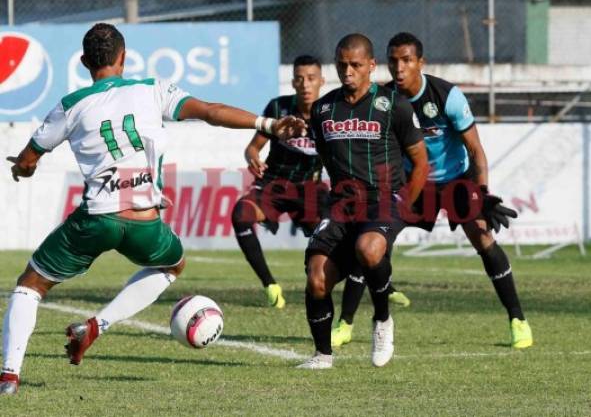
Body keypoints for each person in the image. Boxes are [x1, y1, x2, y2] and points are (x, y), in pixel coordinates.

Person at [0, 23, 305, 395]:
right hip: (144, 222)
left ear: (83, 62)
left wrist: (22, 167)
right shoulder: (151, 90)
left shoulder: (70, 106)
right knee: (173, 264)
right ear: (124, 57)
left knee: (31, 285)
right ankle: (97, 326)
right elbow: (210, 111)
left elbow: (30, 159)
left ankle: (9, 377)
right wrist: (268, 124)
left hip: (96, 219)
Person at [333, 32, 532, 350]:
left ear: (420, 63)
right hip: (412, 185)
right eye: (394, 60)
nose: (399, 67)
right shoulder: (382, 99)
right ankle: (344, 324)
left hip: (455, 181)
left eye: (407, 60)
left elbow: (476, 150)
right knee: (371, 242)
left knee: (482, 236)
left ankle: (518, 320)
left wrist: (481, 194)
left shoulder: (446, 96)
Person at [296, 34, 429, 369]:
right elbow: (326, 158)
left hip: (383, 200)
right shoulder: (324, 109)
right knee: (316, 277)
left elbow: (421, 162)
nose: (348, 71)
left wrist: (403, 206)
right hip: (341, 205)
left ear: (371, 65)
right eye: (342, 64)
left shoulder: (394, 105)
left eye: (356, 65)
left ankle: (382, 320)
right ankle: (323, 355)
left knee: (369, 249)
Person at [231, 55, 327, 309]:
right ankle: (270, 284)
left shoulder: (329, 113)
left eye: (311, 78)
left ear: (322, 81)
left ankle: (374, 283)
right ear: (293, 82)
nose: (305, 84)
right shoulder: (278, 108)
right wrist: (253, 159)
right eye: (299, 79)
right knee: (241, 214)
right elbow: (252, 148)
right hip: (273, 185)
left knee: (339, 231)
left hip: (310, 189)